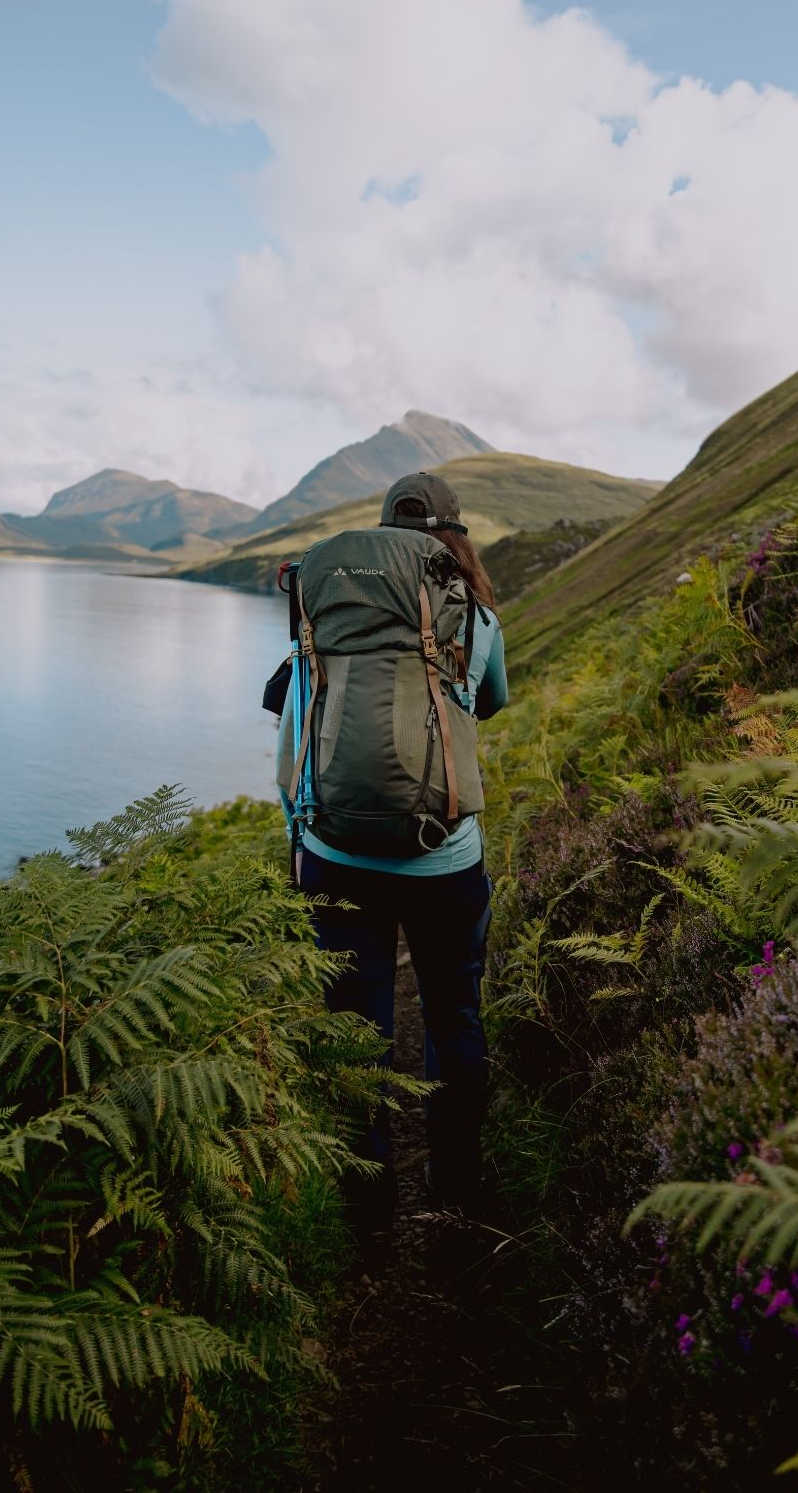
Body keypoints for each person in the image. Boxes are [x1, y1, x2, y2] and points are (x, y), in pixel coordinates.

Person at [276, 471, 508, 1236]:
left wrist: (300, 839)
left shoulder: (325, 618)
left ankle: (366, 1215)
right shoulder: (473, 619)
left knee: (355, 1033)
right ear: (454, 536)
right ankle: (460, 1193)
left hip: (336, 856)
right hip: (445, 858)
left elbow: (295, 736)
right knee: (453, 1019)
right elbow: (492, 700)